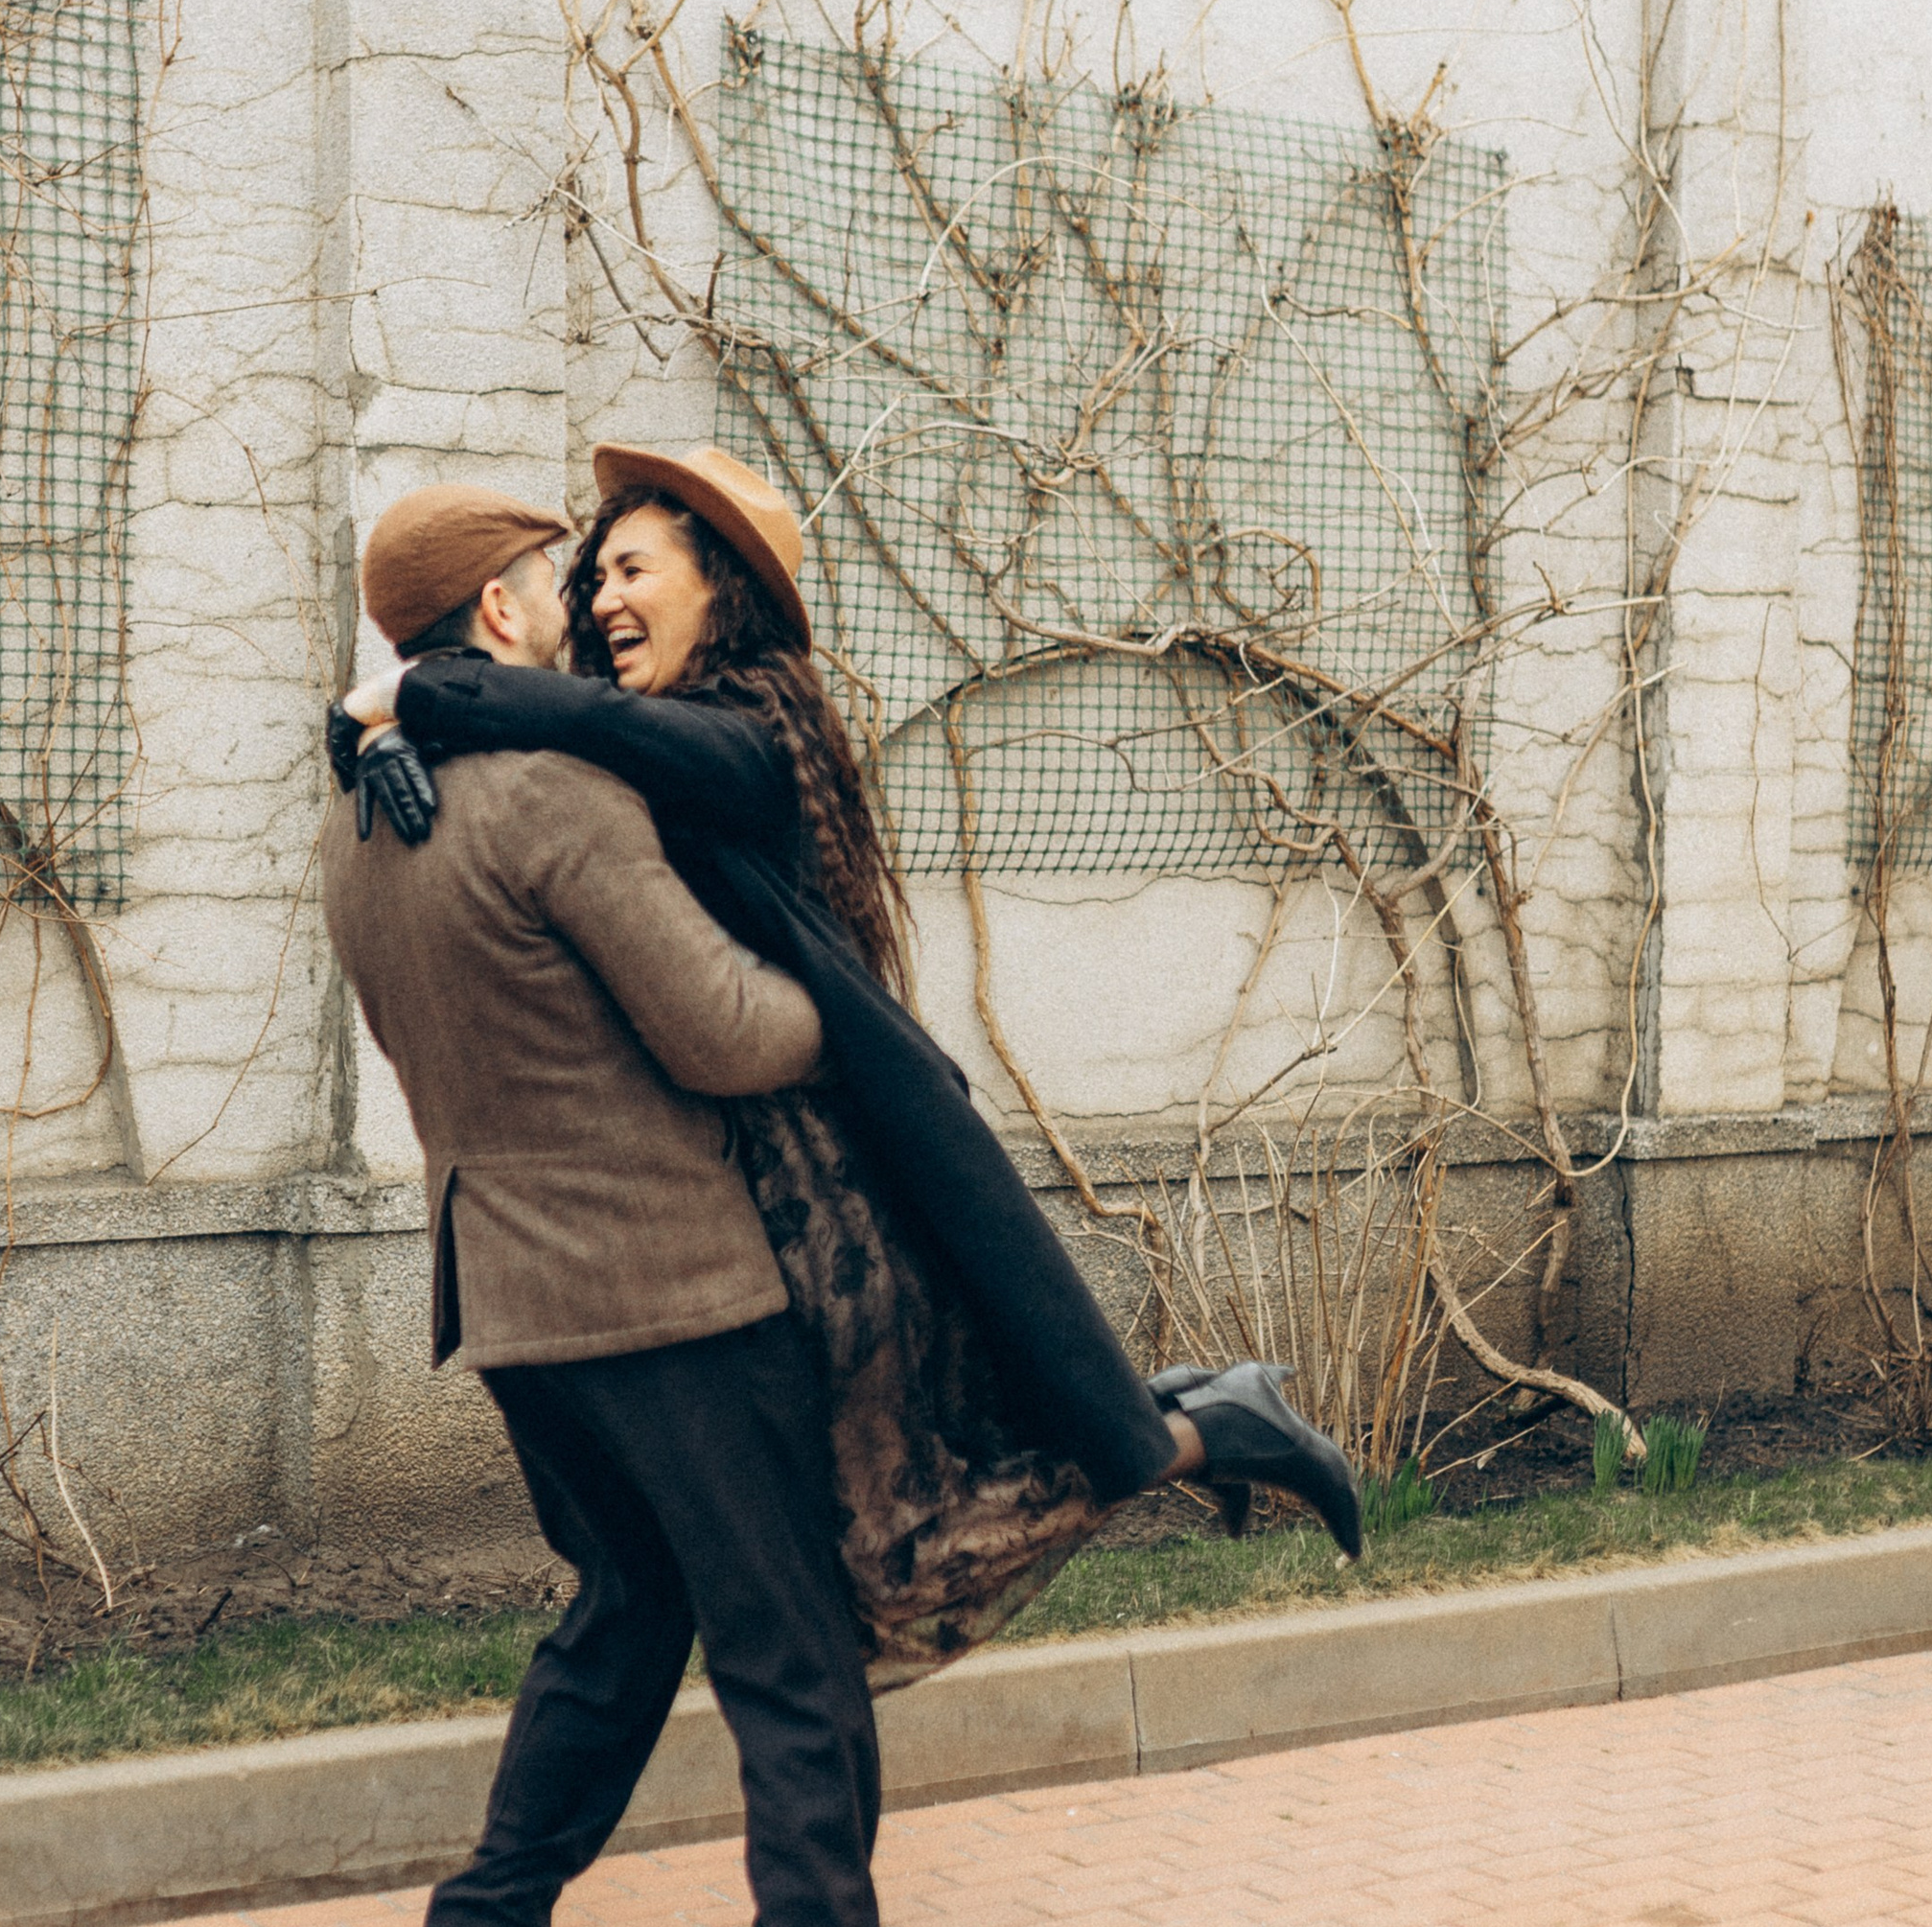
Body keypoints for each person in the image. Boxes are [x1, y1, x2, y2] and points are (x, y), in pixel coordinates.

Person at [338, 443, 1366, 1663]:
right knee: (865, 1527)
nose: (598, 598)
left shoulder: (750, 729)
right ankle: (1187, 1432)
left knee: (896, 1528)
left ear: (719, 588)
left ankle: (1210, 1432)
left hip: (833, 1172)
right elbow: (551, 747)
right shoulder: (629, 735)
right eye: (588, 573)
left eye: (630, 568)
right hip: (739, 1178)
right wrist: (371, 732)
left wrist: (409, 701)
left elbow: (553, 715)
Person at [320, 483, 884, 1927]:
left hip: (507, 1299)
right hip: (667, 1290)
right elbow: (720, 1033)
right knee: (791, 1654)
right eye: (549, 582)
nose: (575, 606)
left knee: (630, 1608)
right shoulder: (556, 796)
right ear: (497, 617)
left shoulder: (365, 817)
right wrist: (835, 1009)